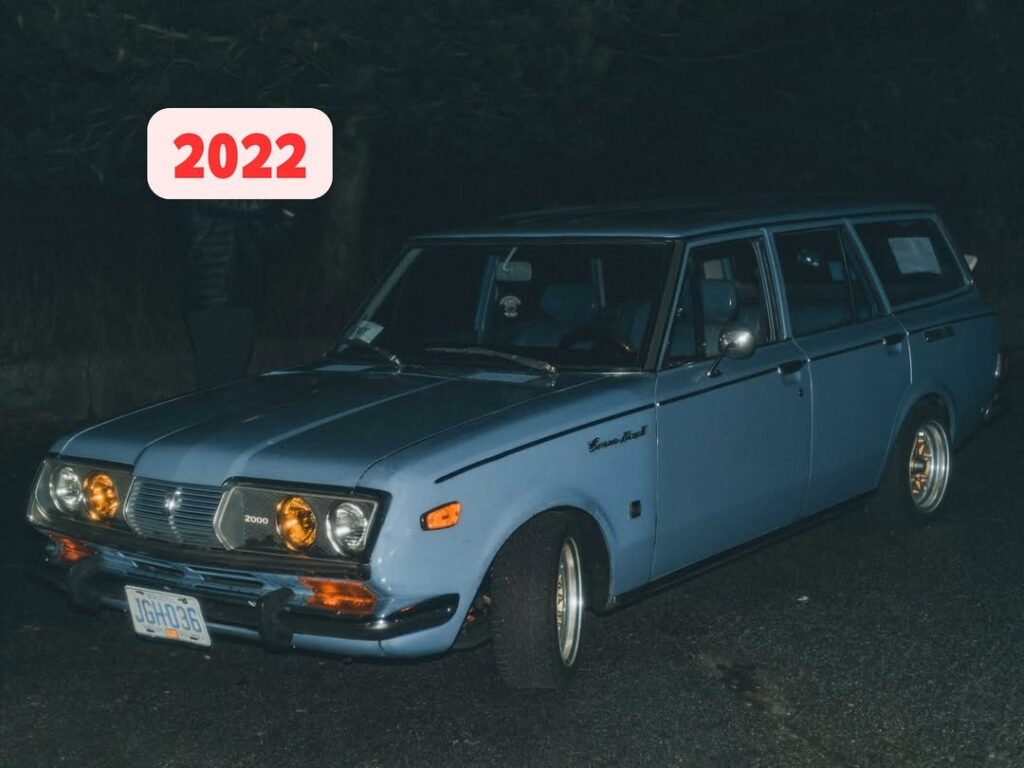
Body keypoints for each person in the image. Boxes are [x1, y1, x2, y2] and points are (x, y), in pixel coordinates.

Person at [184, 200, 288, 389]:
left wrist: (289, 212)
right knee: (216, 383)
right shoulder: (202, 189)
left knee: (233, 380)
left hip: (243, 300)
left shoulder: (243, 207)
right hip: (212, 300)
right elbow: (247, 206)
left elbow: (267, 237)